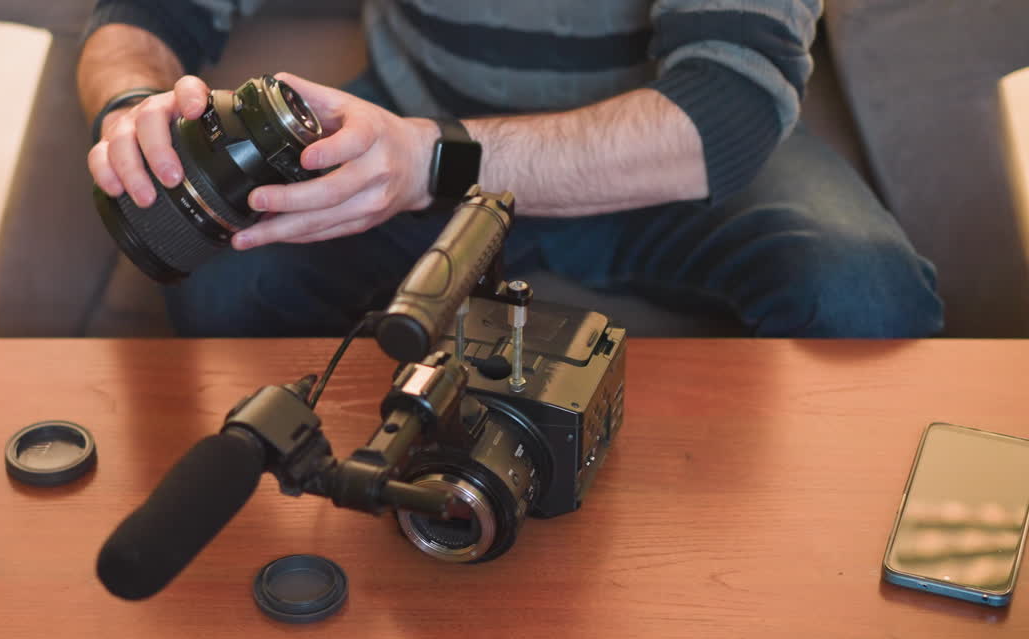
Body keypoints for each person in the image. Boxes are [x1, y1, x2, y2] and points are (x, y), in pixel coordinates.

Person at [78, 0, 945, 338]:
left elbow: (726, 112)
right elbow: (144, 15)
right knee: (224, 284)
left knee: (867, 298)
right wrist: (131, 110)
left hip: (662, 141)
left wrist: (430, 161)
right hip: (417, 116)